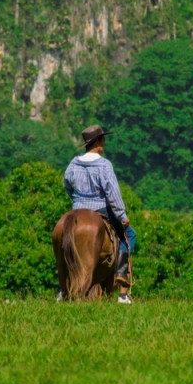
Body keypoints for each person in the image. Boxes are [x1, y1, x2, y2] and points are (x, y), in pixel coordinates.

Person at [64, 124, 136, 304]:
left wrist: (78, 200)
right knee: (130, 236)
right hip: (100, 209)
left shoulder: (73, 163)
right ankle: (123, 290)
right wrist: (122, 216)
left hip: (76, 208)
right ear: (97, 142)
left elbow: (67, 185)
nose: (104, 142)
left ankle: (62, 290)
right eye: (103, 139)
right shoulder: (104, 165)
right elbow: (112, 193)